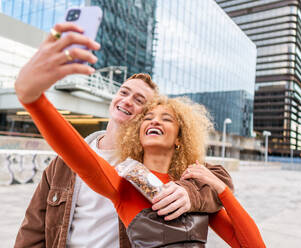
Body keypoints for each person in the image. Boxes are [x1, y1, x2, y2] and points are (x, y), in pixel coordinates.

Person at [14, 23, 233, 247]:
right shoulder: (62, 165)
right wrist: (33, 99)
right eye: (124, 92)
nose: (127, 100)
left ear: (147, 117)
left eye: (139, 100)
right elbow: (32, 230)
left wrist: (190, 194)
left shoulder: (152, 163)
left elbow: (220, 179)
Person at [17, 84, 266, 247]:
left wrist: (220, 190)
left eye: (166, 118)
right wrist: (35, 101)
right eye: (147, 118)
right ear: (138, 131)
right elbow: (77, 153)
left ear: (181, 137)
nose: (154, 121)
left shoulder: (192, 187)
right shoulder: (125, 184)